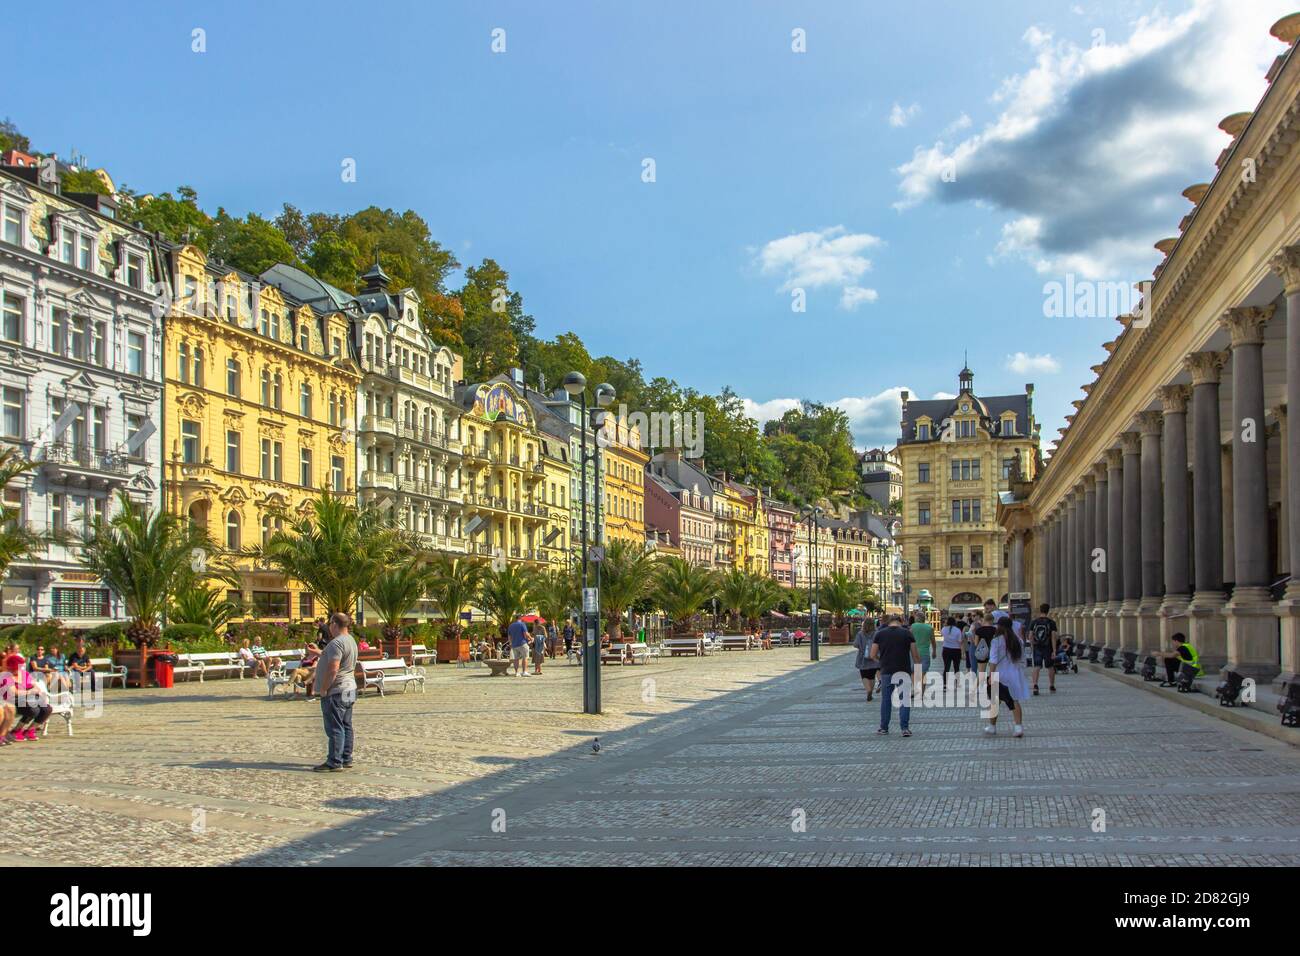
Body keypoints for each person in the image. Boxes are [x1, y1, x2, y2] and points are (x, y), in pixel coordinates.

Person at [312, 612, 358, 772]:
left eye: (330, 623)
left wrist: (324, 688)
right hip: (350, 688)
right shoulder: (350, 640)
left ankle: (334, 761)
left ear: (334, 624)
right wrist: (319, 653)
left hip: (337, 689)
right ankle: (346, 758)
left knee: (335, 726)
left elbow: (333, 668)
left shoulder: (336, 643)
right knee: (346, 724)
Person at [870, 613, 921, 736]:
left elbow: (872, 655)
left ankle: (884, 728)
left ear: (888, 622)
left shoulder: (880, 634)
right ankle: (904, 728)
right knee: (904, 700)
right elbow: (915, 655)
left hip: (886, 670)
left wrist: (881, 661)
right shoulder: (907, 633)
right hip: (903, 670)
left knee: (886, 700)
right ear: (901, 621)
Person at [985, 618, 1030, 737]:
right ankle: (1018, 727)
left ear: (999, 627)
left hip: (1000, 674)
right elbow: (1022, 659)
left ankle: (992, 727)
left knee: (995, 702)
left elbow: (993, 660)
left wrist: (991, 675)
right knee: (1014, 700)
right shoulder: (1018, 640)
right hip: (1014, 674)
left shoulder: (996, 641)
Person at [2, 653, 52, 742]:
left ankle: (30, 731)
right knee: (33, 710)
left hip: (27, 699)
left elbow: (34, 685)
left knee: (47, 709)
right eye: (19, 667)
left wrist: (37, 690)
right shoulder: (6, 676)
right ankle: (16, 730)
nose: (22, 668)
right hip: (12, 701)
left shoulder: (24, 674)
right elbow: (14, 693)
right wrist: (29, 692)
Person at [1028, 603, 1059, 695]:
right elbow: (1053, 637)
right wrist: (1054, 650)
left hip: (1037, 646)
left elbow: (1030, 636)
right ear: (1048, 611)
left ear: (1040, 610)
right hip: (1048, 647)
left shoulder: (1034, 622)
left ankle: (1035, 685)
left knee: (1037, 666)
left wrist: (1032, 646)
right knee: (1050, 667)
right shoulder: (1051, 622)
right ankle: (1052, 685)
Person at [853, 619, 880, 702]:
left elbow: (856, 644)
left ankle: (868, 690)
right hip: (874, 657)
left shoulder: (860, 634)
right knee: (872, 676)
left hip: (862, 658)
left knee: (864, 676)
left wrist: (862, 647)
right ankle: (870, 691)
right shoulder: (876, 633)